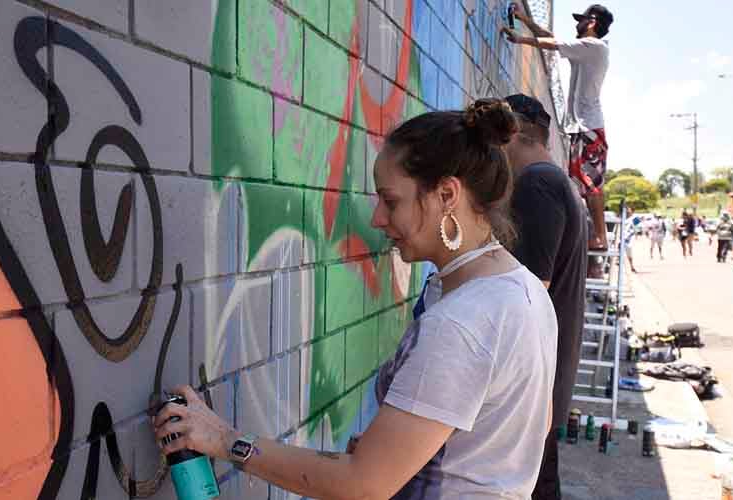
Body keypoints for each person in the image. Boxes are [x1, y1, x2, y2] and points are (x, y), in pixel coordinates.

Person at [152, 100, 559, 499]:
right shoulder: (523, 291)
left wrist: (225, 440)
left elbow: (362, 486)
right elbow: (532, 426)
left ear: (447, 195)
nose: (377, 218)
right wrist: (401, 447)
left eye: (391, 200)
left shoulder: (460, 322)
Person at [503, 94, 588, 500]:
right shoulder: (561, 183)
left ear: (512, 133)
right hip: (548, 374)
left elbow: (526, 293)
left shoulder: (537, 183)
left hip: (533, 382)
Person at [503, 3, 614, 279]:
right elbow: (550, 36)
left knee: (591, 182)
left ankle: (600, 236)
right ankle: (594, 234)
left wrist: (521, 38)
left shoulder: (595, 47)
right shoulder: (583, 50)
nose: (576, 25)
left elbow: (551, 42)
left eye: (581, 21)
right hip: (580, 126)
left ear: (592, 22)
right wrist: (525, 19)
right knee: (579, 180)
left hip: (590, 127)